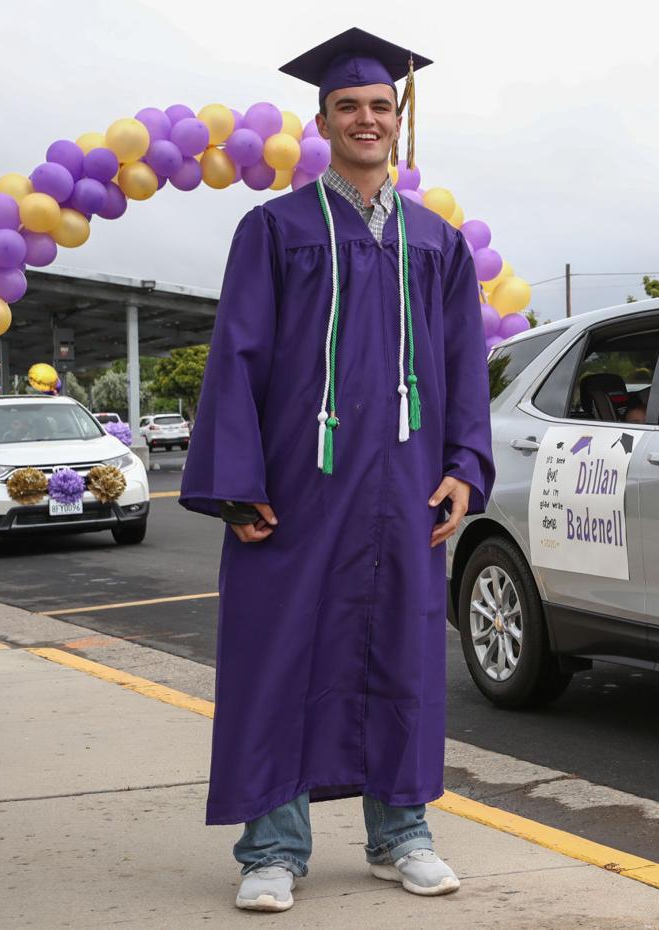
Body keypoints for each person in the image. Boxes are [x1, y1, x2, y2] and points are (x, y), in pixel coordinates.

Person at [179, 27, 494, 914]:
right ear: (322, 121)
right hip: (294, 486)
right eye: (349, 106)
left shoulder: (436, 243)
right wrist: (237, 482)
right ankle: (272, 849)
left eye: (380, 107)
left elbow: (466, 362)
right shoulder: (274, 230)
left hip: (403, 487)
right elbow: (235, 357)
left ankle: (402, 835)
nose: (366, 119)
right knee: (278, 656)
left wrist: (465, 464)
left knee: (400, 652)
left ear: (400, 122)